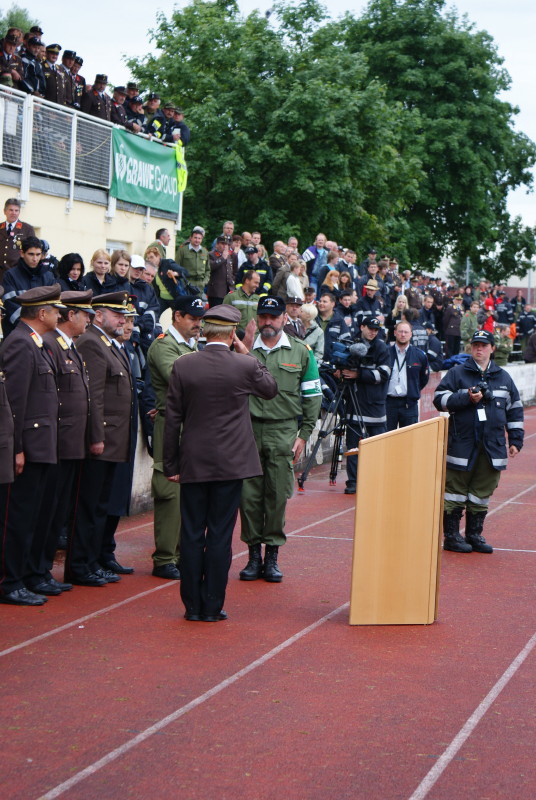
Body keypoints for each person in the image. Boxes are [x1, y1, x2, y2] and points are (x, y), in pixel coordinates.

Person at [163, 304, 278, 621]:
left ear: (204, 331)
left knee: (191, 533)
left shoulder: (184, 365)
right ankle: (212, 606)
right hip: (231, 464)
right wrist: (246, 351)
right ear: (232, 334)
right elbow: (270, 388)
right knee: (219, 534)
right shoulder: (244, 365)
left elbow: (172, 419)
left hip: (194, 461)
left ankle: (192, 606)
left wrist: (170, 464)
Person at [239, 296, 322, 582]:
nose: (268, 322)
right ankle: (253, 555)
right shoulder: (245, 348)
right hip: (248, 430)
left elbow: (312, 395)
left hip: (283, 430)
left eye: (273, 317)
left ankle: (272, 555)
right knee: (248, 496)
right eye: (263, 316)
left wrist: (304, 435)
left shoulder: (300, 352)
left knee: (276, 495)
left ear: (284, 319)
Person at [0, 285, 64, 606]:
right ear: (41, 313)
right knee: (16, 518)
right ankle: (8, 582)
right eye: (55, 310)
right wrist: (16, 448)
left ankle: (22, 576)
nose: (59, 316)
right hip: (26, 447)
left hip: (40, 446)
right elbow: (12, 403)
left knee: (30, 517)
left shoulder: (35, 343)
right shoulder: (20, 344)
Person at [433, 329, 524, 554]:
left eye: (483, 345)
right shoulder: (457, 373)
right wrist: (466, 398)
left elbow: (514, 410)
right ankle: (452, 537)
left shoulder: (503, 377)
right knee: (455, 490)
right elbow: (439, 399)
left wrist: (515, 440)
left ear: (492, 348)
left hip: (492, 445)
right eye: (475, 345)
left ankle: (474, 535)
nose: (479, 349)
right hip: (462, 443)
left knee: (482, 491)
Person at [64, 291, 132, 586]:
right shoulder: (92, 342)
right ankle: (80, 565)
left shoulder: (107, 343)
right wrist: (96, 436)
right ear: (99, 315)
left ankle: (91, 562)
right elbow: (94, 397)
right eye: (117, 315)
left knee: (100, 505)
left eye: (124, 316)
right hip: (100, 439)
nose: (123, 321)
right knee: (88, 506)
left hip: (113, 439)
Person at [36, 290, 93, 592]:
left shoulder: (69, 346)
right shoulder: (50, 345)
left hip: (71, 444)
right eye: (86, 315)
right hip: (56, 444)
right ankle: (37, 570)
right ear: (72, 315)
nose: (89, 321)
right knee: (46, 512)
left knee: (58, 512)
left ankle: (42, 570)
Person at [147, 296, 206, 580]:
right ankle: (164, 558)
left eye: (200, 320)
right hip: (171, 425)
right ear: (178, 317)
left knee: (189, 492)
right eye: (193, 318)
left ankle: (182, 553)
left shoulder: (191, 346)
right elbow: (181, 380)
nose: (198, 324)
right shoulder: (164, 345)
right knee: (169, 492)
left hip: (190, 423)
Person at [339, 316, 391, 494]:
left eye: (376, 330)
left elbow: (384, 374)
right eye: (370, 328)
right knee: (353, 447)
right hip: (354, 402)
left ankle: (375, 480)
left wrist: (358, 374)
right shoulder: (351, 343)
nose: (373, 332)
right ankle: (353, 482)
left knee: (378, 446)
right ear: (362, 327)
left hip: (375, 405)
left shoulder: (381, 347)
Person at [2, 236, 56, 337]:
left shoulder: (49, 277)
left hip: (43, 334)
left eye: (38, 254)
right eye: (31, 254)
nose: (35, 259)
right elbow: (10, 305)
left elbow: (53, 305)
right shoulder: (10, 276)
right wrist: (32, 326)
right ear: (22, 253)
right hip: (16, 333)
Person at [386, 321, 429, 430]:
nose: (403, 334)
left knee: (409, 438)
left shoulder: (419, 355)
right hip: (388, 403)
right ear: (395, 333)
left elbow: (424, 379)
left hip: (409, 404)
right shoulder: (385, 353)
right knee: (386, 437)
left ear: (411, 334)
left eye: (406, 332)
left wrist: (413, 390)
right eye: (400, 331)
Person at [0, 198, 36, 282]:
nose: (14, 213)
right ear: (5, 211)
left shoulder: (27, 229)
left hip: (17, 273)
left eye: (16, 210)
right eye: (11, 210)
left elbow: (32, 250)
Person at [175, 226, 209, 293]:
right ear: (191, 238)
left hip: (200, 285)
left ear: (202, 239)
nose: (197, 240)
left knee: (199, 300)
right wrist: (182, 281)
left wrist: (205, 282)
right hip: (186, 284)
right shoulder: (182, 250)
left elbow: (208, 269)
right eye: (195, 238)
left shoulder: (205, 251)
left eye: (199, 238)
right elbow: (176, 266)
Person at [207, 235, 236, 306]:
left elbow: (234, 271)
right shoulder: (211, 255)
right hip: (216, 292)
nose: (225, 246)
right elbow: (210, 267)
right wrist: (222, 258)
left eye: (227, 244)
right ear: (217, 244)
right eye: (223, 244)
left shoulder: (230, 256)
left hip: (229, 290)